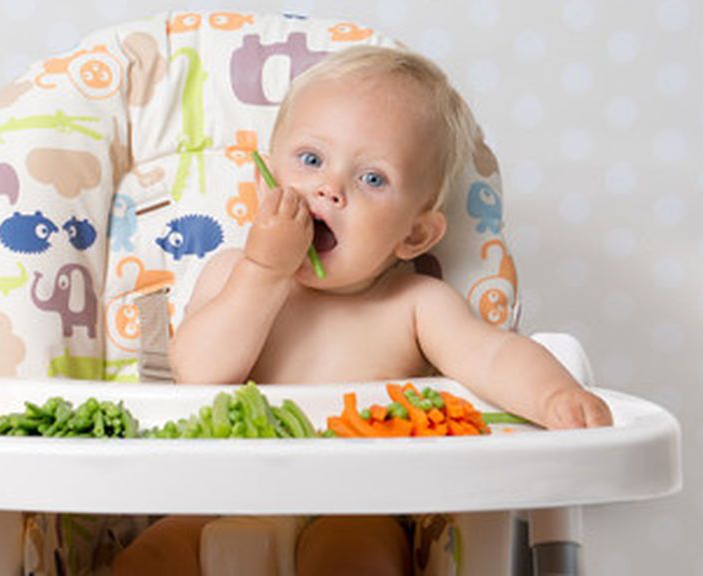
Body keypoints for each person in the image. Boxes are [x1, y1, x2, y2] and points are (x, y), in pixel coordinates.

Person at [115, 45, 612, 576]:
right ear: (265, 181)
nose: (329, 188)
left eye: (372, 179)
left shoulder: (415, 306)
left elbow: (494, 357)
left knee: (355, 557)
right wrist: (264, 270)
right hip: (222, 497)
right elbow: (200, 374)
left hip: (357, 507)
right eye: (310, 160)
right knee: (151, 557)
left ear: (415, 234)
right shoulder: (233, 273)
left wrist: (556, 396)